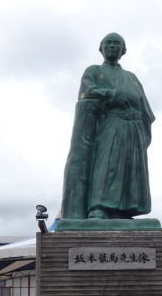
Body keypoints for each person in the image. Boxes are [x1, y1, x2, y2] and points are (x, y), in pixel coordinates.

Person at [60, 32, 155, 220]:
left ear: (123, 50)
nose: (112, 46)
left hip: (134, 128)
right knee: (107, 165)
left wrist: (142, 128)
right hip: (111, 123)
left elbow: (144, 106)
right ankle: (99, 207)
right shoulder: (94, 71)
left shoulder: (131, 77)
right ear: (101, 48)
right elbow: (87, 92)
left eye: (117, 43)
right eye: (108, 43)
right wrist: (110, 94)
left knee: (130, 169)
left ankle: (124, 209)